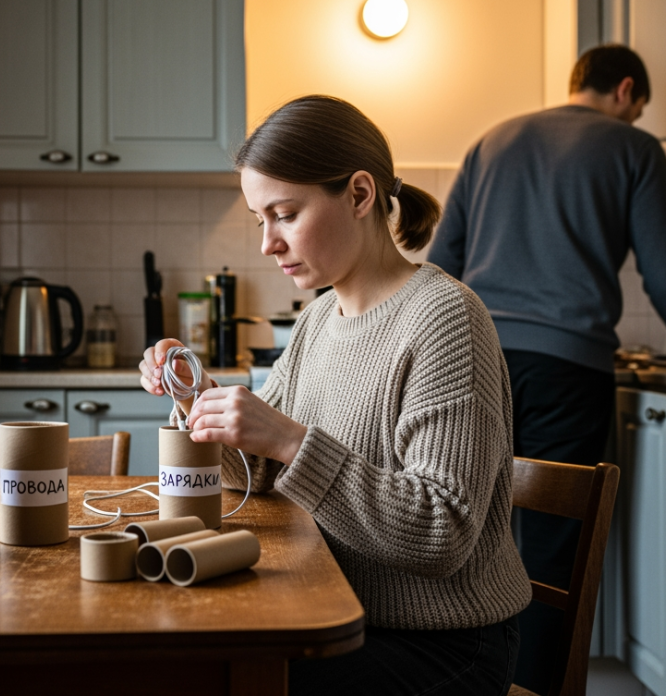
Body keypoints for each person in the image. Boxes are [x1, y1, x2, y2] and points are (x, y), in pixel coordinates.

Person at [138, 95, 530, 696]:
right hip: (338, 612)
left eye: (285, 214)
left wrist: (291, 441)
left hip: (445, 643)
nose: (268, 242)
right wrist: (199, 401)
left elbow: (442, 531)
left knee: (218, 677)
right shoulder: (318, 320)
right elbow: (261, 474)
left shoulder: (445, 319)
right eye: (259, 219)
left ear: (359, 194)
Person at [427, 44, 666, 692]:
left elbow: (442, 262)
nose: (635, 118)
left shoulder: (491, 141)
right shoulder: (632, 148)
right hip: (565, 368)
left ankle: (468, 681)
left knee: (469, 531)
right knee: (552, 545)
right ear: (628, 90)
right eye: (638, 109)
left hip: (476, 356)